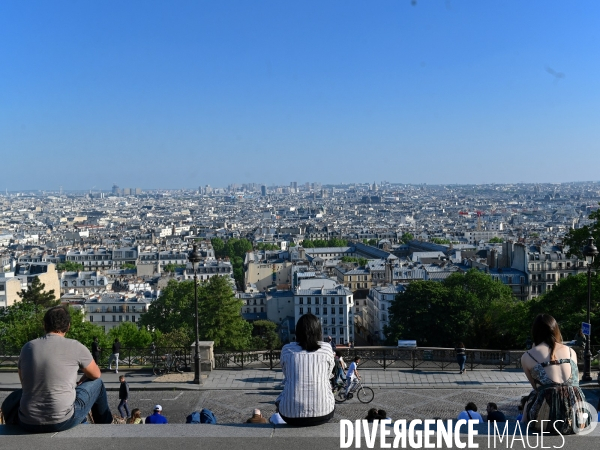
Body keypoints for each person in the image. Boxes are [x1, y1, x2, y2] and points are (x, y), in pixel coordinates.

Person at [0, 306, 113, 432]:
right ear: (68, 326)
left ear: (44, 325)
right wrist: (84, 377)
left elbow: (25, 383)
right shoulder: (75, 346)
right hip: (62, 420)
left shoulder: (28, 347)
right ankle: (105, 427)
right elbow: (96, 374)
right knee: (98, 384)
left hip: (27, 420)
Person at [521, 314, 589, 435]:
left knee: (530, 398)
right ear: (556, 329)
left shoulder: (528, 356)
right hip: (578, 419)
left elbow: (537, 389)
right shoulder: (570, 351)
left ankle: (522, 431)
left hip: (547, 421)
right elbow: (575, 384)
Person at [276, 314, 335, 426]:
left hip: (290, 415)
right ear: (319, 331)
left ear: (297, 332)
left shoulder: (287, 350)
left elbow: (287, 374)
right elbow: (328, 375)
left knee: (282, 396)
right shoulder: (327, 348)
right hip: (324, 413)